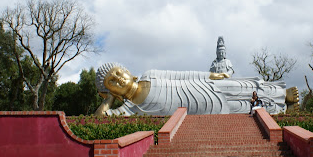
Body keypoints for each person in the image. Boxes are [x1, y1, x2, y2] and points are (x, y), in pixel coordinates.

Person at [95, 63, 299, 116]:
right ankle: (281, 110)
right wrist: (108, 100)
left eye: (118, 73)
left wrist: (209, 76)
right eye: (112, 81)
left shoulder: (150, 75)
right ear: (111, 91)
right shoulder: (129, 109)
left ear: (127, 71)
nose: (118, 79)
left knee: (240, 87)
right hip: (199, 109)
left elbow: (181, 75)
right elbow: (100, 119)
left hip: (198, 86)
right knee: (240, 107)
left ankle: (282, 94)